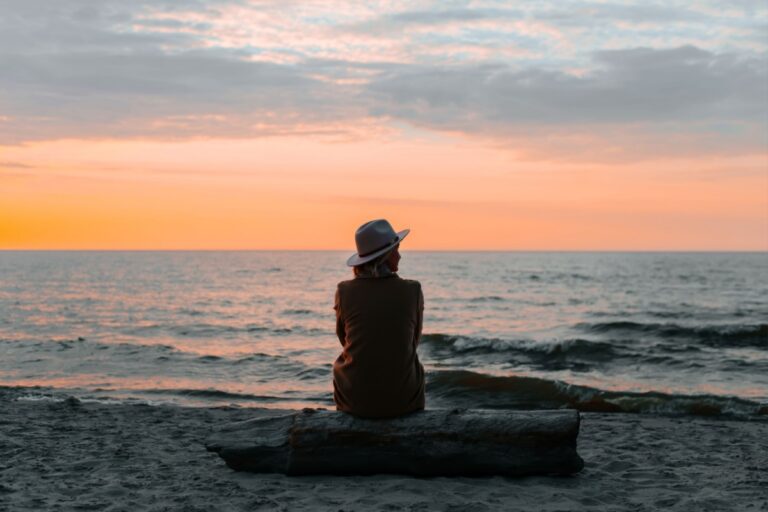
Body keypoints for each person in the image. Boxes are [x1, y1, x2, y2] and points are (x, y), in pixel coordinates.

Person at [332, 219, 425, 418]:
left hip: (354, 401)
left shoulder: (344, 291)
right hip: (403, 400)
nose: (399, 256)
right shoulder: (412, 290)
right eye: (396, 250)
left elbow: (344, 339)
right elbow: (412, 342)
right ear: (385, 256)